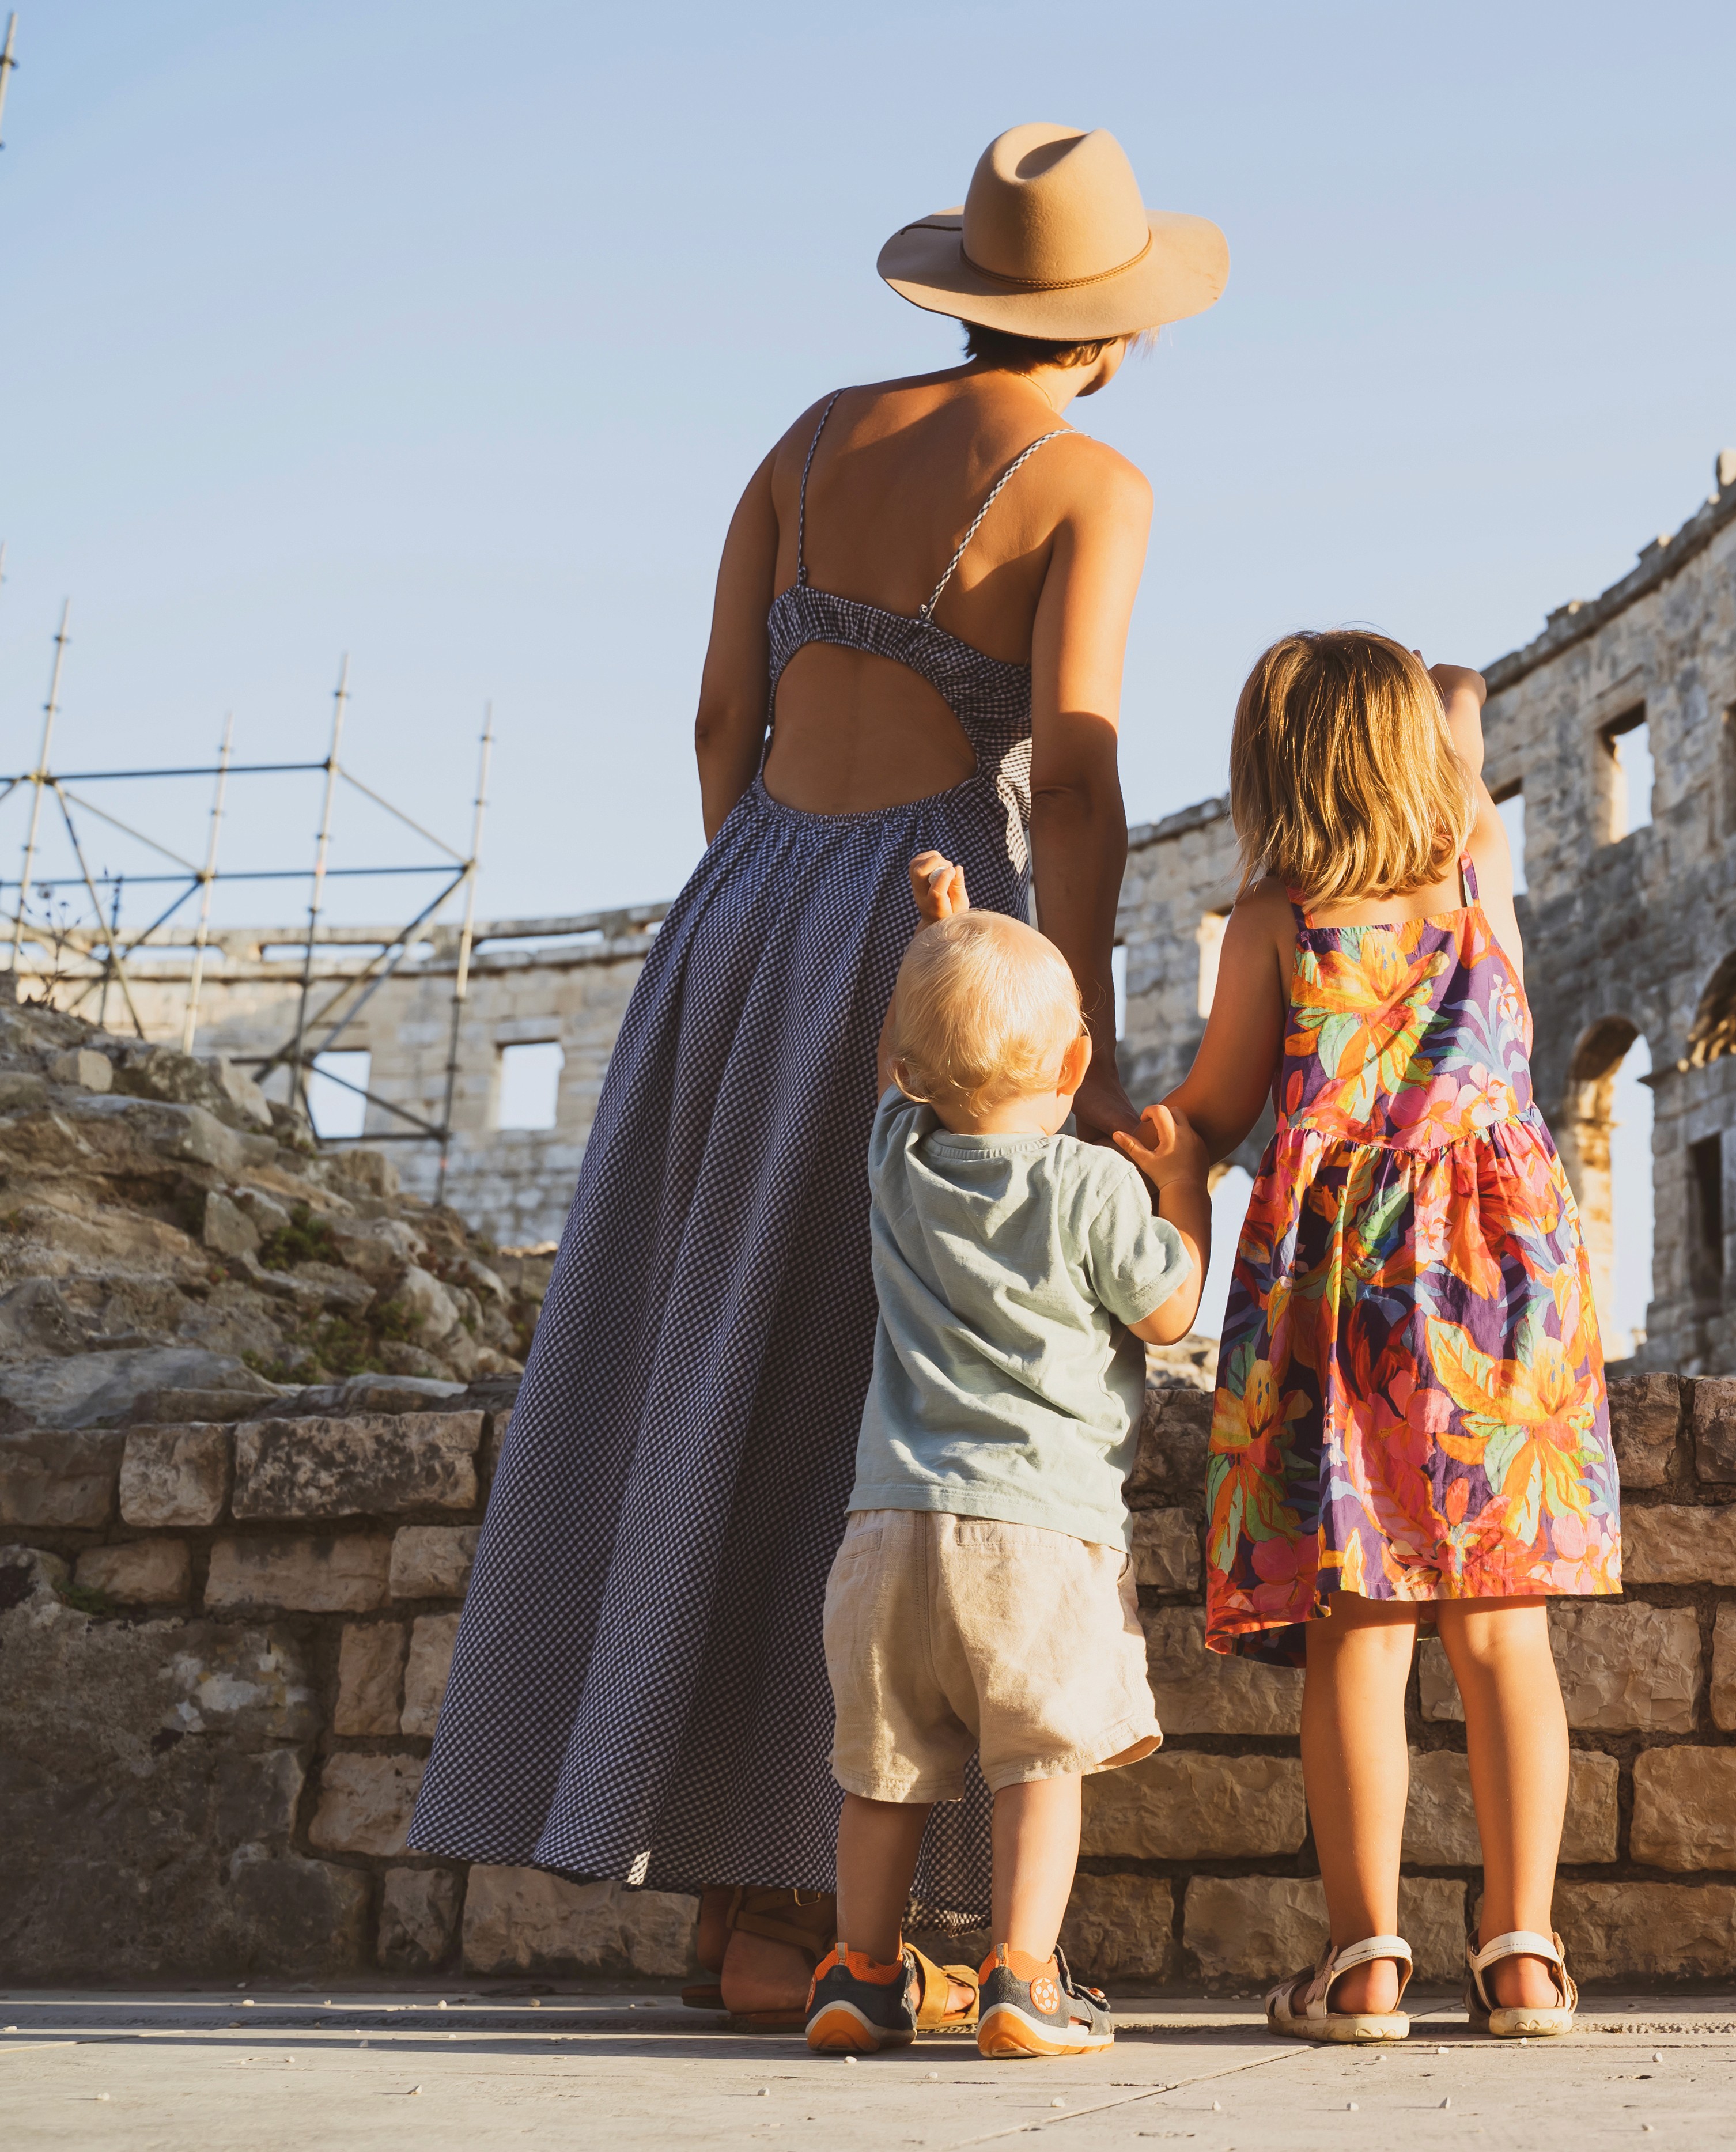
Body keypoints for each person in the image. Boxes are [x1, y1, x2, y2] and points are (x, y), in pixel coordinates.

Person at [408, 123, 1226, 2027]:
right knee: (858, 1391)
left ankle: (725, 1887)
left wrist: (756, 903)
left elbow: (721, 711)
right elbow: (1078, 775)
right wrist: (1083, 1023)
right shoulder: (1091, 482)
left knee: (699, 1365)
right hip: (924, 924)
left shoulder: (805, 441)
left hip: (745, 901)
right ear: (1110, 329)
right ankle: (785, 1915)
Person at [1159, 631, 1621, 2042]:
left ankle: (1365, 1959)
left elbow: (1215, 1110)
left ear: (1277, 767)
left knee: (1358, 1634)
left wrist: (1152, 1143)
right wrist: (1447, 705)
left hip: (1344, 1285)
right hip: (1503, 1281)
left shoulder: (1276, 919)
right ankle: (1523, 1952)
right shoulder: (1475, 863)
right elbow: (1460, 743)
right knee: (1502, 1629)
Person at [805, 851, 1206, 2059]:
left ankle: (859, 1972)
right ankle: (1021, 1979)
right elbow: (1170, 1314)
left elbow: (900, 1067)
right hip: (1035, 1535)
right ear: (1075, 1065)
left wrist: (940, 936)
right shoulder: (1092, 1187)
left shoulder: (897, 1164)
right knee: (1039, 1759)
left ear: (910, 1075)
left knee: (883, 1772)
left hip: (886, 1532)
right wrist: (1183, 1191)